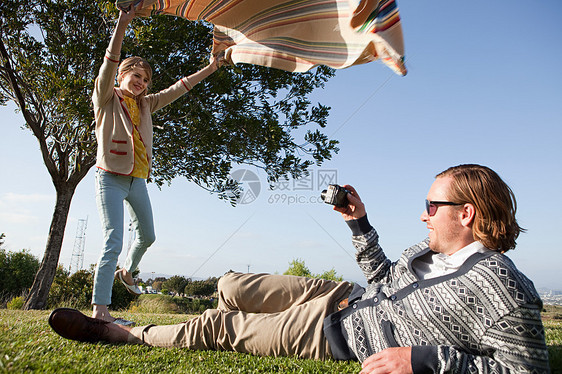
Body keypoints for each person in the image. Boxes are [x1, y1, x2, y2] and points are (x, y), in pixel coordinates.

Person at [49, 164, 550, 373]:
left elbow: (524, 370)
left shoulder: (504, 288)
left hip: (336, 331)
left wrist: (422, 362)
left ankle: (121, 333)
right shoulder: (428, 252)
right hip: (342, 293)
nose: (423, 214)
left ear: (467, 214)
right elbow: (382, 279)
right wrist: (360, 223)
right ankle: (210, 329)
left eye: (431, 205)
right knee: (230, 282)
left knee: (220, 326)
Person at [91, 5, 225, 325]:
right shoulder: (106, 96)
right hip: (109, 177)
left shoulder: (146, 103)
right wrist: (123, 21)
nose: (141, 82)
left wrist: (212, 67)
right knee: (113, 240)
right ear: (123, 76)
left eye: (146, 79)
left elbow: (180, 88)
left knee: (148, 236)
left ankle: (128, 270)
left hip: (137, 179)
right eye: (136, 76)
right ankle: (100, 310)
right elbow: (110, 60)